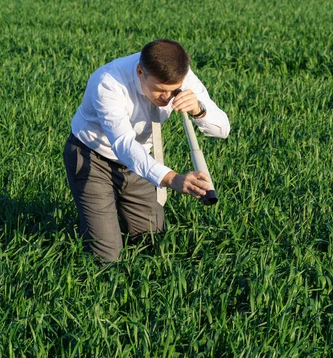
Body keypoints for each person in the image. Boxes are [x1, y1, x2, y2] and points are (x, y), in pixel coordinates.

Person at [63, 39, 230, 262]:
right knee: (107, 258)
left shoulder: (184, 77)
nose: (168, 98)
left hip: (138, 161)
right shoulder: (109, 82)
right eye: (160, 90)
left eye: (173, 91)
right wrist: (172, 179)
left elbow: (223, 130)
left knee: (154, 242)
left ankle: (118, 214)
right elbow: (123, 144)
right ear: (140, 71)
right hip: (92, 157)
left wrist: (199, 110)